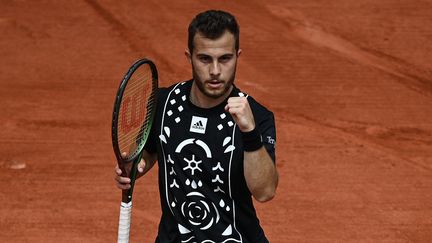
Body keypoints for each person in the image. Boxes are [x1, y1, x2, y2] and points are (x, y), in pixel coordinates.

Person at [115, 9, 278, 243]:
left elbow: (265, 191)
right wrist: (132, 168)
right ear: (189, 56)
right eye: (204, 59)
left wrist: (250, 132)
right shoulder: (163, 103)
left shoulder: (257, 116)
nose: (215, 71)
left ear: (237, 56)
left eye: (225, 59)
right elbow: (148, 154)